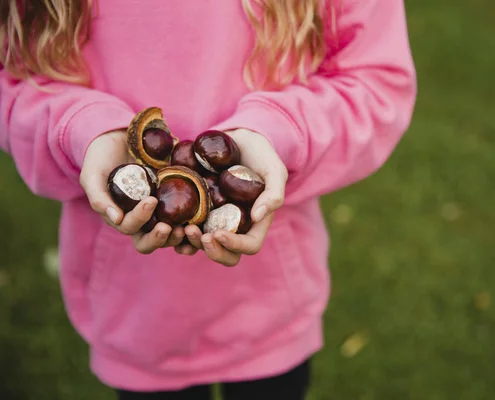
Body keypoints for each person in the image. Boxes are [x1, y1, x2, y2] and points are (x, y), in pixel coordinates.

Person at [0, 0, 417, 399]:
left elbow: (377, 82)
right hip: (136, 314)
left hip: (270, 309)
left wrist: (280, 133)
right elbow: (11, 83)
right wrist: (80, 129)